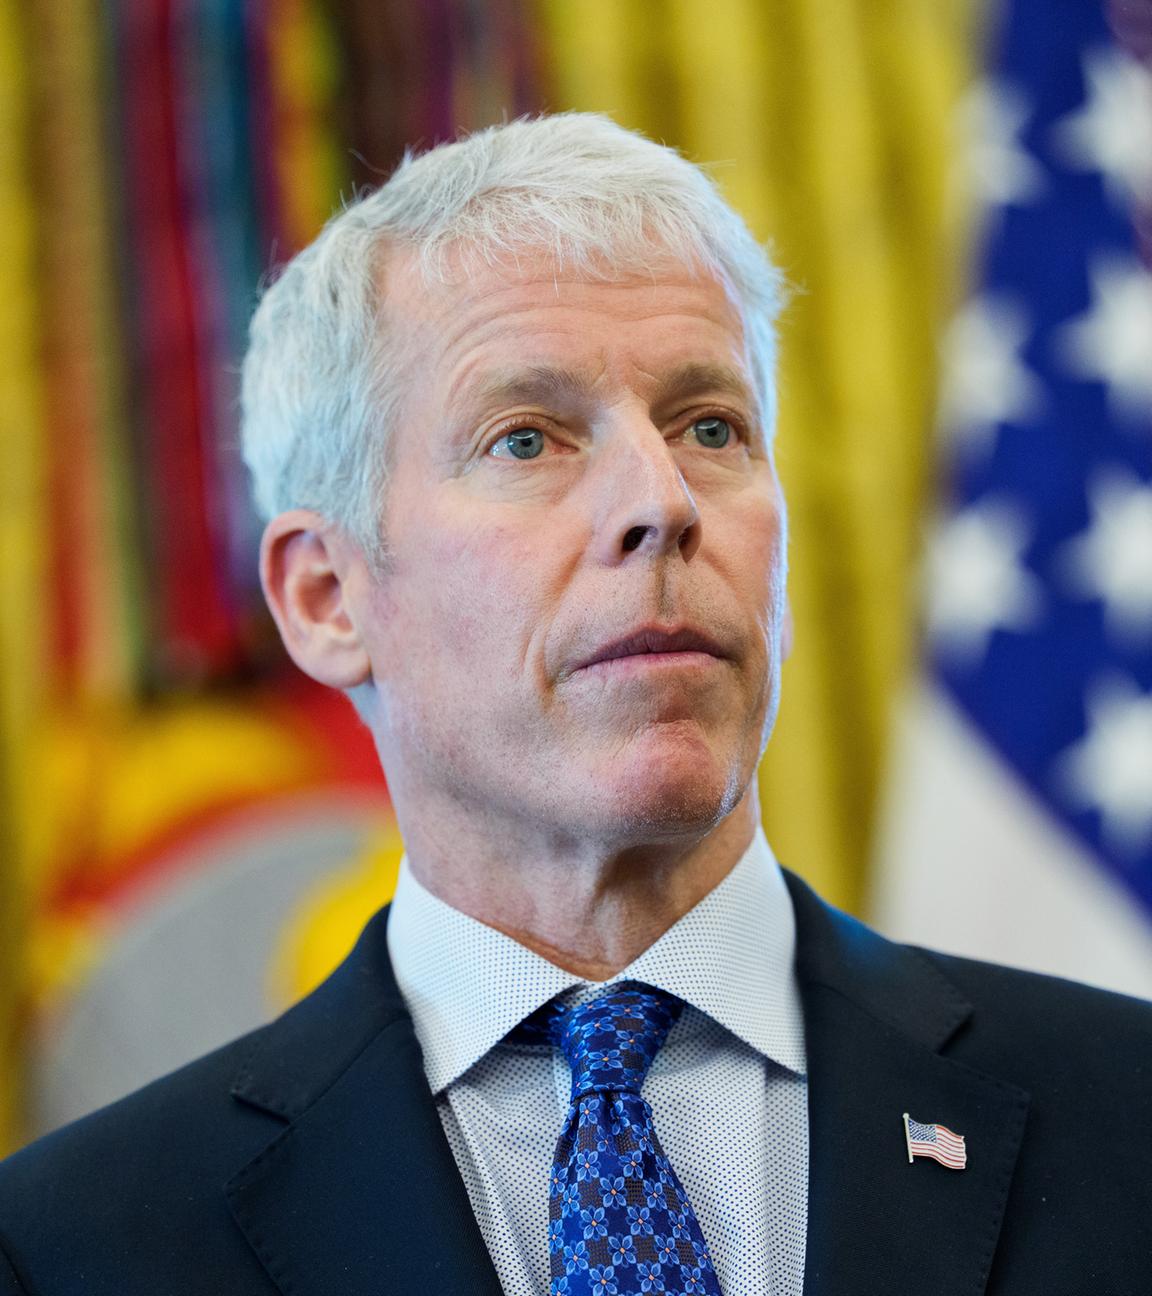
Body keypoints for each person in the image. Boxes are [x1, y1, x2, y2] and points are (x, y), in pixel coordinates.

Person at [0, 113, 1149, 1296]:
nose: (663, 501)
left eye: (711, 427)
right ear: (327, 596)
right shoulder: (77, 1246)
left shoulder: (1128, 1116)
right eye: (527, 440)